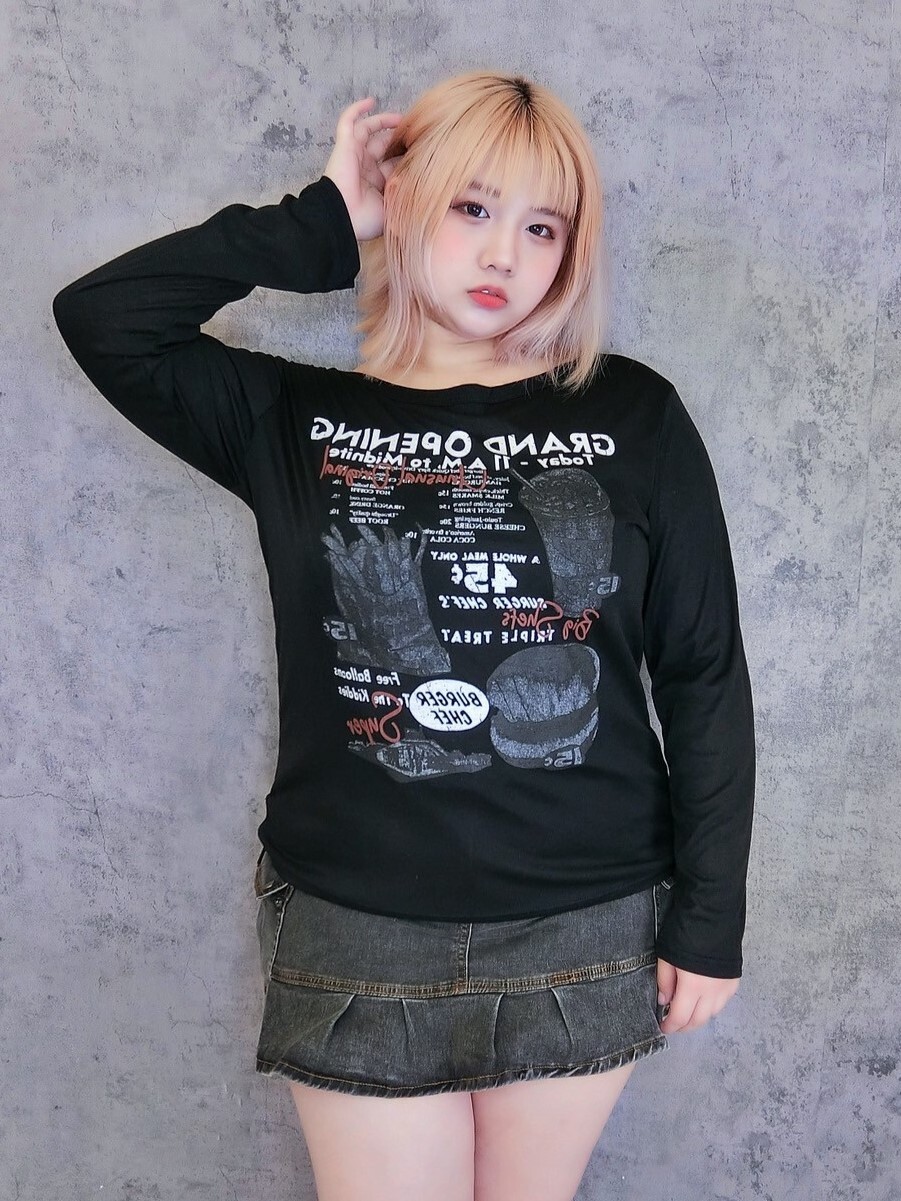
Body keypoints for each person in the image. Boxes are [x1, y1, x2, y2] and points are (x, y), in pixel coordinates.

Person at [53, 71, 756, 1201]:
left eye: (541, 227)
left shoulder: (632, 414)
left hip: (582, 917)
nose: (502, 254)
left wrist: (710, 915)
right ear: (408, 198)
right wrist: (326, 219)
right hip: (355, 919)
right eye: (471, 207)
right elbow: (105, 317)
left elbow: (701, 670)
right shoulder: (294, 420)